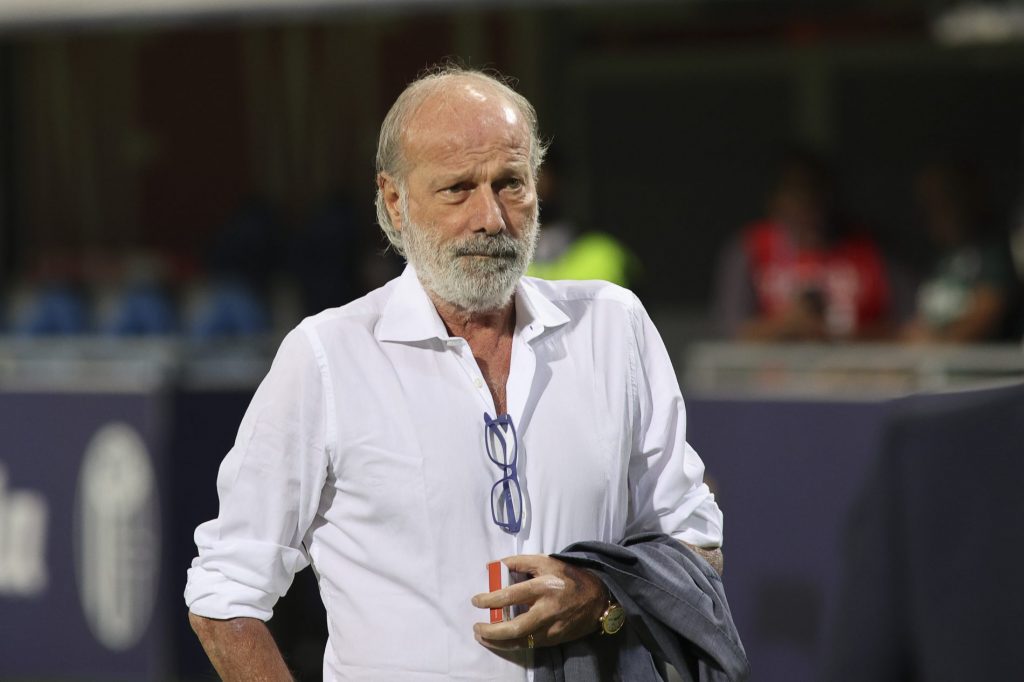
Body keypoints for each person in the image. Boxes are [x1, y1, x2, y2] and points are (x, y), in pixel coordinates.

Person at [185, 66, 731, 681]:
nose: (491, 218)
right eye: (458, 189)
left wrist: (601, 597)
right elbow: (224, 598)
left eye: (510, 183)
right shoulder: (327, 356)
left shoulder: (612, 326)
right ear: (395, 201)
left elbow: (693, 544)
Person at [712, 151, 890, 341]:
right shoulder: (750, 249)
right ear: (774, 199)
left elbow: (905, 330)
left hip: (855, 356)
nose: (807, 201)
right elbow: (730, 332)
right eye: (795, 191)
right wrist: (787, 325)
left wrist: (840, 333)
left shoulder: (868, 248)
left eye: (816, 190)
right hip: (776, 358)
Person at [899, 160, 1020, 343]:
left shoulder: (992, 254)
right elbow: (921, 321)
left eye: (942, 201)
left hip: (978, 360)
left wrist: (938, 341)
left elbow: (986, 313)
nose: (933, 213)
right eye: (928, 204)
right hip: (931, 359)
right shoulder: (942, 259)